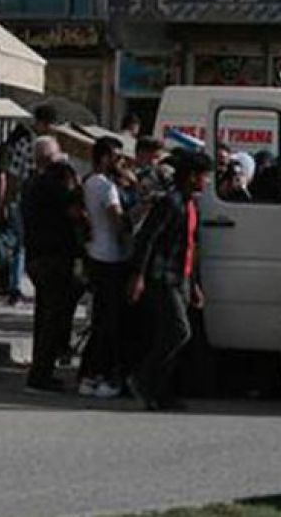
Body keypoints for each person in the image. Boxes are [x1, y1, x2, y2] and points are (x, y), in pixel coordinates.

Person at [127, 150, 213, 411]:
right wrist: (138, 275)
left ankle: (162, 392)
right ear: (192, 176)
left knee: (172, 335)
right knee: (179, 331)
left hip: (183, 277)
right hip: (164, 276)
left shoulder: (191, 204)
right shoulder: (170, 202)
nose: (207, 182)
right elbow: (147, 238)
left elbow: (191, 246)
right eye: (204, 177)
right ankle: (142, 378)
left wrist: (195, 283)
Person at [21, 137, 86, 392]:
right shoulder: (53, 184)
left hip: (37, 255)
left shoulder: (31, 183)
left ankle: (41, 369)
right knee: (52, 317)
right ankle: (41, 373)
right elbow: (73, 212)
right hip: (54, 256)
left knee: (45, 315)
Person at [78, 137, 132, 398]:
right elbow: (119, 223)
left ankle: (89, 374)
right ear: (104, 158)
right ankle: (99, 374)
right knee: (109, 322)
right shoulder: (106, 187)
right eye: (116, 156)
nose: (120, 162)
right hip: (110, 257)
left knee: (100, 320)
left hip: (96, 254)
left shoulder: (89, 182)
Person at [0, 104, 59, 305]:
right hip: (26, 200)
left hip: (43, 202)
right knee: (21, 244)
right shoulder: (26, 144)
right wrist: (8, 201)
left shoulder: (53, 145)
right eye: (49, 123)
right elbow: (13, 175)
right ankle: (15, 286)